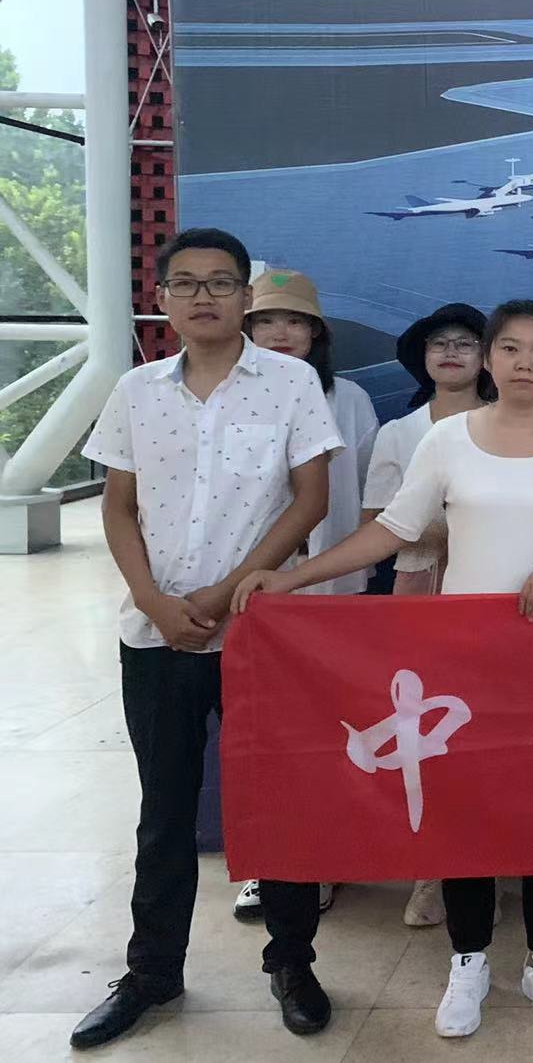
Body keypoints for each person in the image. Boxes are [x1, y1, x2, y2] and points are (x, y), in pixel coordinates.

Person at [233, 300, 533, 1041]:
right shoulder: (448, 439)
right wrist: (292, 578)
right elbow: (392, 529)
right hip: (464, 658)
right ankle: (469, 959)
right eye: (509, 348)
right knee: (466, 811)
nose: (523, 362)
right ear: (489, 357)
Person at [72, 229, 343, 1050]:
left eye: (220, 283)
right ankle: (152, 973)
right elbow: (118, 505)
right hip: (155, 636)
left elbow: (309, 500)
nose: (203, 296)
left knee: (278, 803)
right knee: (163, 811)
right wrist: (153, 601)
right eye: (185, 283)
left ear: (244, 298)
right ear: (161, 299)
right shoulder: (137, 391)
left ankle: (292, 962)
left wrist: (225, 595)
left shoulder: (290, 383)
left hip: (261, 636)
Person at [231, 268, 378, 924]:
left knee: (330, 732)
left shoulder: (349, 400)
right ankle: (268, 863)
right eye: (266, 321)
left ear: (316, 334)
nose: (280, 332)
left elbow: (371, 498)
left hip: (334, 599)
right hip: (248, 595)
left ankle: (324, 858)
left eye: (294, 321)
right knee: (264, 734)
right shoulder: (228, 398)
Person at [359, 301, 493, 930]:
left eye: (465, 342)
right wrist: (437, 528)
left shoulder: (510, 424)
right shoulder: (398, 433)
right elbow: (375, 522)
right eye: (440, 343)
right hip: (419, 588)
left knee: (492, 725)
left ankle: (497, 857)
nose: (451, 353)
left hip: (492, 588)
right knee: (428, 726)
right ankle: (433, 869)